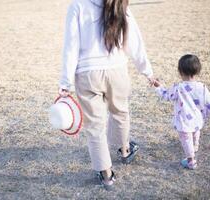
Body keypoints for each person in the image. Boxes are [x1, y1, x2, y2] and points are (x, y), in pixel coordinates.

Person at [59, 0, 154, 190]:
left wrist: (66, 82)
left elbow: (71, 45)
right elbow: (134, 42)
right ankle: (125, 151)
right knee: (120, 112)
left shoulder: (78, 5)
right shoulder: (120, 4)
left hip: (87, 74)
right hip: (117, 70)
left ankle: (106, 174)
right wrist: (147, 72)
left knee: (95, 126)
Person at [153, 54, 210, 170]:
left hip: (184, 121)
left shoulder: (178, 88)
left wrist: (158, 87)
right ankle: (195, 148)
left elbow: (166, 95)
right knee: (195, 134)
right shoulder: (202, 87)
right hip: (197, 120)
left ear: (180, 72)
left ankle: (191, 161)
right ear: (198, 71)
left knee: (186, 140)